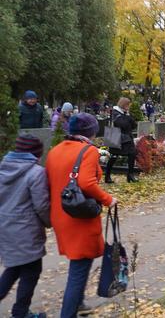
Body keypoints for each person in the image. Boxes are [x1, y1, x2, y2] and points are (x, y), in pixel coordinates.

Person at [46, 113, 117, 318]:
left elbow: (49, 182)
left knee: (78, 262)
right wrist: (107, 199)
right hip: (80, 216)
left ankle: (79, 303)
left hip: (61, 214)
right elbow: (86, 183)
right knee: (79, 268)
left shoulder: (55, 151)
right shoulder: (89, 151)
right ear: (90, 132)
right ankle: (69, 312)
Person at [0, 135, 50, 318]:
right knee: (31, 271)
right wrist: (49, 222)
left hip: (5, 226)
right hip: (26, 229)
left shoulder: (2, 167)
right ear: (36, 153)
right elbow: (42, 205)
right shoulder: (36, 172)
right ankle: (20, 313)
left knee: (14, 267)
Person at [105, 97, 138, 183]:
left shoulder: (125, 113)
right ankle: (107, 176)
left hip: (126, 137)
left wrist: (127, 117)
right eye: (128, 105)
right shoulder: (115, 112)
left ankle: (130, 174)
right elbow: (122, 124)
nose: (129, 106)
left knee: (132, 153)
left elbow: (134, 125)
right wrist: (128, 119)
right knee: (114, 156)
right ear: (123, 104)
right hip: (115, 136)